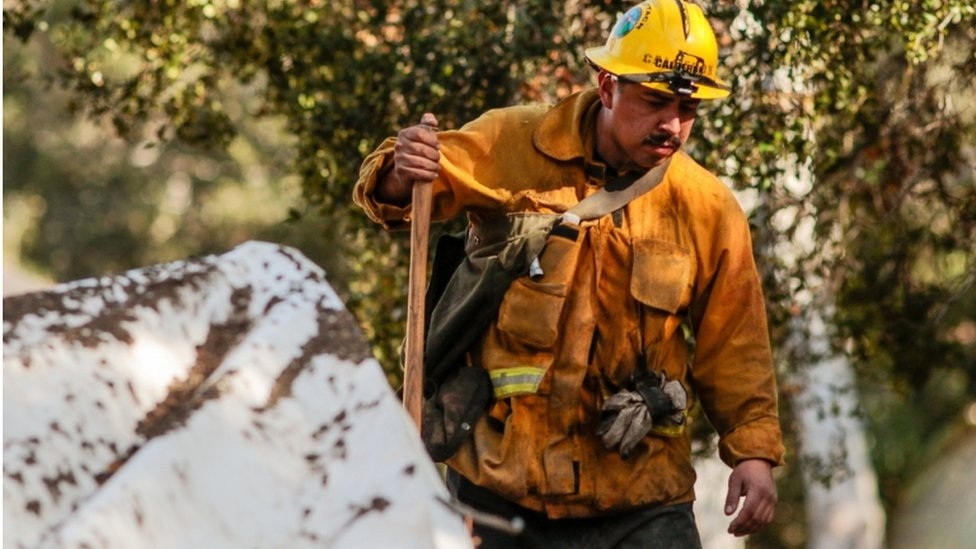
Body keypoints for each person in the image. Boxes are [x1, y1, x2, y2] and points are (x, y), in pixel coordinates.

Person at [353, 0, 785, 546]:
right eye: (655, 101)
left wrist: (752, 451)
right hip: (500, 484)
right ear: (607, 87)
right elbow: (402, 194)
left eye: (687, 107)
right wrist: (400, 169)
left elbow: (736, 342)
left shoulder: (707, 208)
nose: (672, 124)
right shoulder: (513, 142)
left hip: (642, 496)